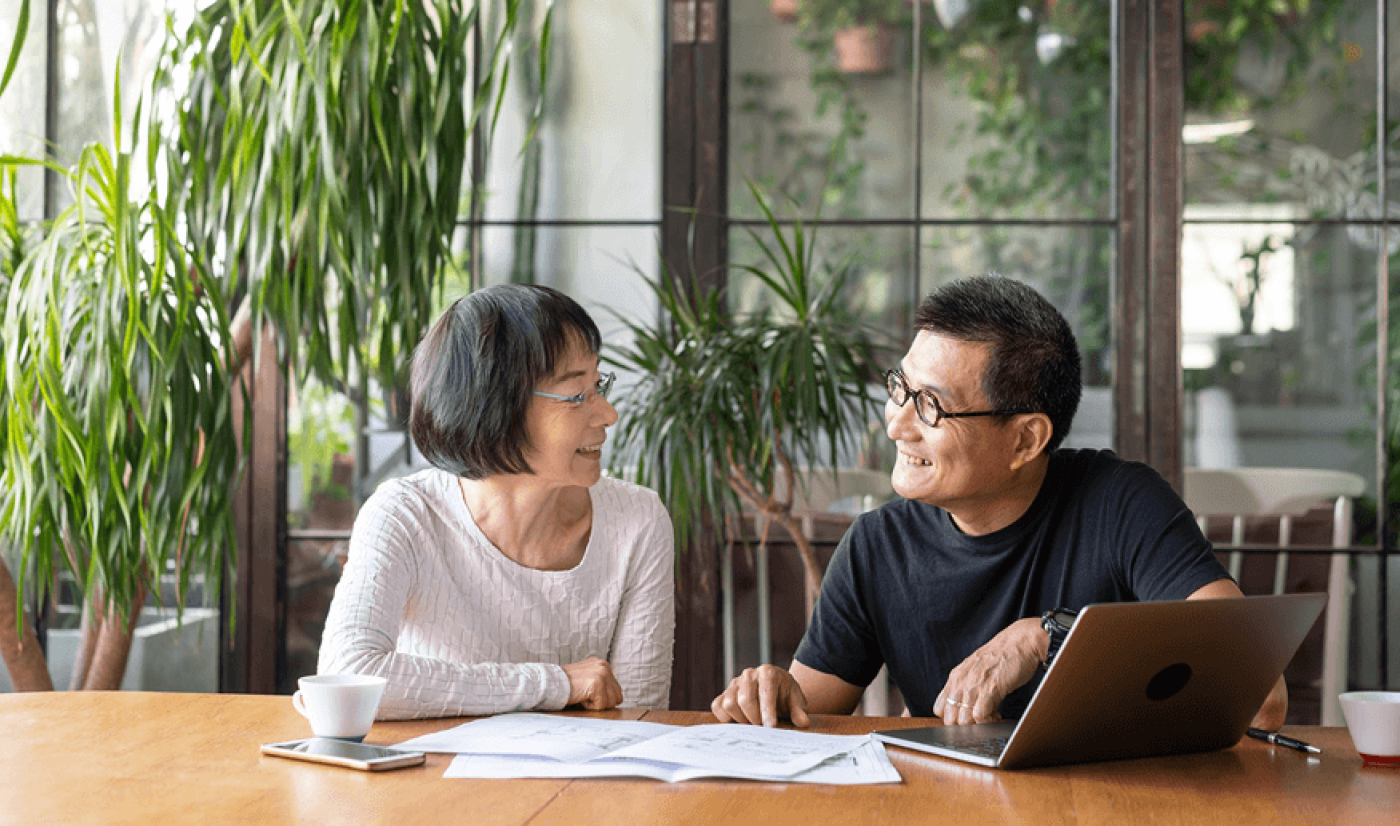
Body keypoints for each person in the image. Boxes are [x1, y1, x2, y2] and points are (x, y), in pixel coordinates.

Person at [711, 274, 1288, 730]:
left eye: (931, 406)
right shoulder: (876, 545)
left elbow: (1259, 697)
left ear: (1024, 440)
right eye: (898, 389)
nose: (897, 425)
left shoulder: (1120, 502)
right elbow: (809, 714)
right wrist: (773, 697)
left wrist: (1050, 635)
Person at [319, 284, 674, 719]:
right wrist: (556, 683)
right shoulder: (405, 515)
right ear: (495, 406)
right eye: (578, 395)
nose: (607, 414)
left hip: (577, 786)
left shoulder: (637, 521)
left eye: (599, 386)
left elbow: (639, 717)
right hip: (427, 780)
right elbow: (348, 674)